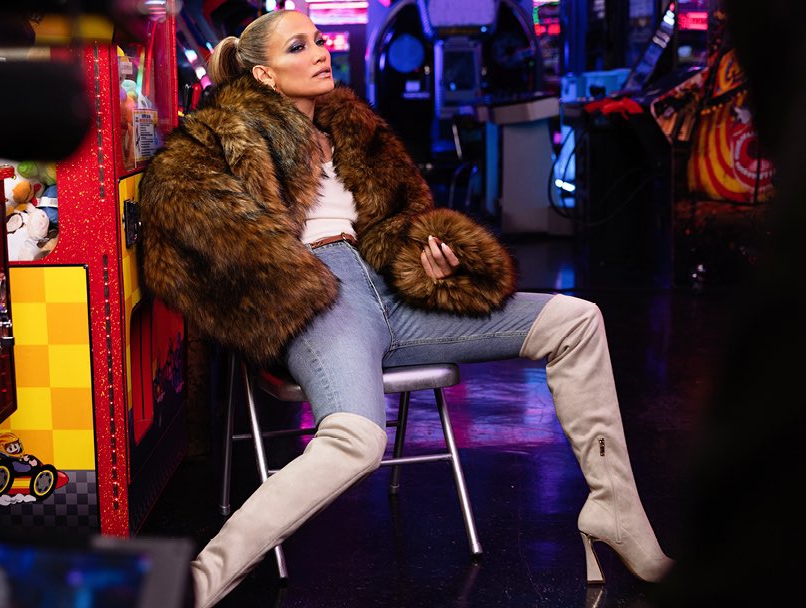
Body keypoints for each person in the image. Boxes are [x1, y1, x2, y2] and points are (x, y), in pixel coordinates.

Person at [138, 9, 673, 608]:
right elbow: (176, 204)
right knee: (358, 438)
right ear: (263, 73)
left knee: (576, 320)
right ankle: (198, 582)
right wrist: (272, 269)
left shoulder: (356, 132)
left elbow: (400, 225)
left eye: (319, 40)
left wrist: (427, 259)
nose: (320, 52)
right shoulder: (224, 135)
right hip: (313, 294)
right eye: (299, 47)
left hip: (391, 294)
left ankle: (614, 512)